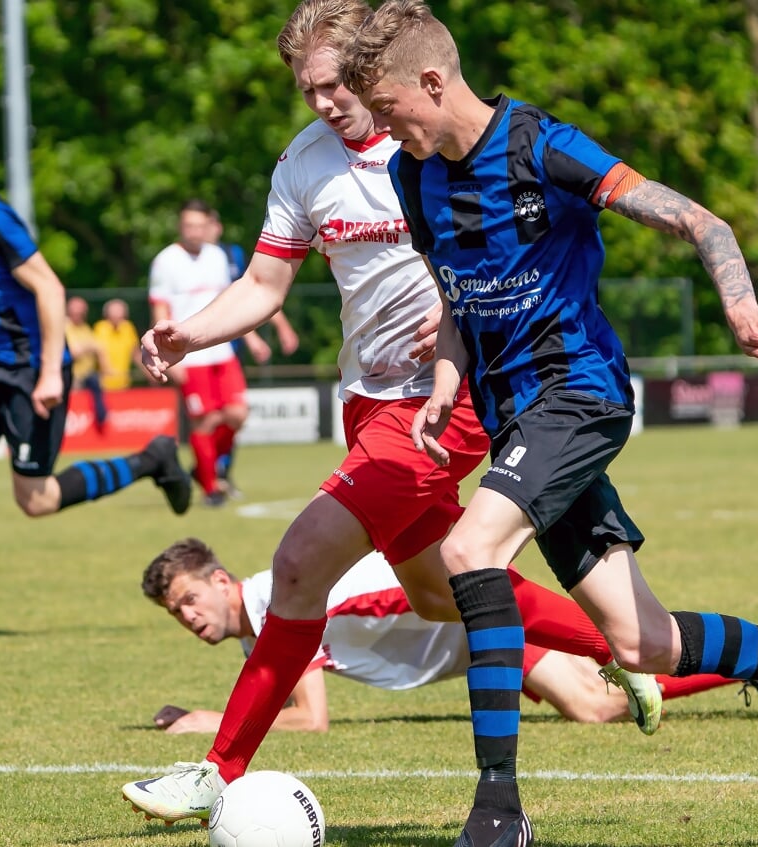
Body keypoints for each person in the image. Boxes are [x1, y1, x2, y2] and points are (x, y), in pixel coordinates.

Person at [338, 3, 758, 843]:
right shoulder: (412, 175)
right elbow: (456, 298)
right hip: (515, 418)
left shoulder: (543, 146)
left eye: (390, 108)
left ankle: (497, 810)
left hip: (579, 396)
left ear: (433, 81)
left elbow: (699, 220)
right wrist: (443, 380)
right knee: (640, 642)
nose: (385, 130)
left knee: (468, 553)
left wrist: (740, 302)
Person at [121, 0, 663, 825]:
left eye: (337, 84)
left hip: (442, 405)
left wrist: (458, 314)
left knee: (299, 564)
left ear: (376, 73)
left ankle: (216, 769)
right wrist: (187, 335)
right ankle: (671, 659)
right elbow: (264, 287)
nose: (326, 104)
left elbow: (514, 243)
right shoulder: (303, 164)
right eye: (308, 91)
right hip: (365, 400)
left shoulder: (433, 143)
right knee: (442, 593)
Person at [0, 124, 193, 640]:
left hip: (31, 369)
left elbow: (49, 287)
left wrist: (49, 372)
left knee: (36, 500)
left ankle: (150, 460)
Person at [142, 538, 758, 733]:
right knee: (609, 678)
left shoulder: (282, 605)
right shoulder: (260, 618)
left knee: (604, 688)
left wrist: (205, 718)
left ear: (223, 580)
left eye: (190, 599)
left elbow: (308, 718)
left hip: (479, 614)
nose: (188, 616)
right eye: (176, 613)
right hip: (469, 636)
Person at [149, 199, 274, 508]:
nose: (193, 230)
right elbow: (160, 307)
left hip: (221, 352)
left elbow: (230, 303)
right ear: (181, 226)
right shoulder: (166, 261)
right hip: (189, 355)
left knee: (236, 414)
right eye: (187, 225)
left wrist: (251, 337)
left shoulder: (217, 256)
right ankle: (210, 488)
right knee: (203, 421)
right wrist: (166, 352)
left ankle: (203, 468)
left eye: (198, 225)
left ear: (208, 226)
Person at [204, 207, 301, 496]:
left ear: (217, 227)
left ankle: (219, 469)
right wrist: (252, 337)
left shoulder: (230, 255)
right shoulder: (185, 262)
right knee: (209, 417)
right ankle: (209, 476)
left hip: (230, 351)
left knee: (235, 414)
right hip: (203, 349)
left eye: (207, 224)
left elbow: (257, 291)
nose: (202, 231)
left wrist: (283, 328)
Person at [65, 295, 109, 433]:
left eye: (81, 313)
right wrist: (87, 347)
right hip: (71, 374)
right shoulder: (65, 327)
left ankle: (102, 417)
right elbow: (72, 353)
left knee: (97, 381)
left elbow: (98, 349)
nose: (79, 315)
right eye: (76, 312)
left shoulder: (85, 328)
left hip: (87, 374)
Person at [93, 298, 141, 392]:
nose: (117, 315)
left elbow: (135, 353)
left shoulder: (128, 328)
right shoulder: (100, 327)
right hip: (103, 385)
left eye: (120, 312)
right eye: (114, 312)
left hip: (124, 383)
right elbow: (100, 352)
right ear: (107, 314)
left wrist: (149, 372)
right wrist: (109, 371)